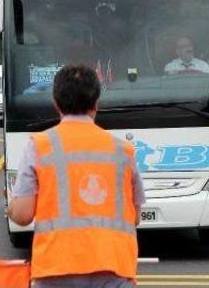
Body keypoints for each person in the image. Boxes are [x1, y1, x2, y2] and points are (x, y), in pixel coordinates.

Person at [8, 64, 145, 287]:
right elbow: (135, 217)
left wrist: (11, 206)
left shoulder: (40, 146)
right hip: (114, 267)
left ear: (55, 103)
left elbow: (22, 215)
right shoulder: (123, 151)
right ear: (96, 103)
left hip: (55, 268)